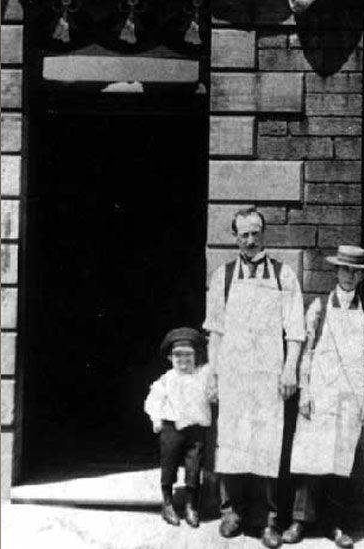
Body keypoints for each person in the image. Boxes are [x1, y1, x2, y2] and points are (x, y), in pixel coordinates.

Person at [203, 206, 305, 548]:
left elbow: (295, 330)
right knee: (232, 441)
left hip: (269, 377)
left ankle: (272, 519)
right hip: (234, 375)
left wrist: (290, 368)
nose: (250, 240)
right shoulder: (224, 276)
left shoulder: (283, 275)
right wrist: (213, 376)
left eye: (255, 233)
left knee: (269, 444)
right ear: (235, 237)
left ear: (265, 235)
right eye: (243, 234)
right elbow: (215, 332)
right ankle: (231, 511)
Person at [281, 245, 364, 549]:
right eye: (345, 270)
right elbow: (306, 353)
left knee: (340, 463)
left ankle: (335, 524)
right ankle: (300, 521)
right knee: (310, 459)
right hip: (320, 396)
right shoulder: (319, 308)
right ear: (336, 271)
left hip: (349, 398)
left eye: (356, 272)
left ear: (362, 276)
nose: (350, 276)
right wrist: (305, 392)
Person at [143, 327, 216, 528]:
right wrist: (156, 418)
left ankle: (191, 505)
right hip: (171, 428)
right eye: (178, 355)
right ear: (170, 357)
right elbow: (153, 400)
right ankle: (167, 504)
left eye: (188, 355)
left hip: (195, 429)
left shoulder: (203, 375)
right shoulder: (166, 379)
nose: (183, 360)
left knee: (194, 466)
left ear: (196, 356)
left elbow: (214, 382)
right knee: (169, 464)